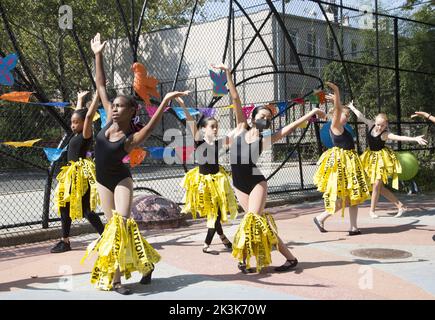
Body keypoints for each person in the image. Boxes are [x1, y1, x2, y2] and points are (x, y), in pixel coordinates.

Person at [82, 33, 189, 295]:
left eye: (121, 107)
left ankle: (117, 280)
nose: (115, 108)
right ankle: (147, 264)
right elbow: (101, 86)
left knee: (120, 224)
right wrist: (98, 53)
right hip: (103, 181)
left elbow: (152, 124)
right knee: (112, 230)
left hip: (121, 180)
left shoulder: (130, 138)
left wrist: (164, 101)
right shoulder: (107, 120)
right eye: (114, 106)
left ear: (131, 112)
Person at [213, 63, 326, 273]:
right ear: (251, 117)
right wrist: (228, 73)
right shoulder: (239, 128)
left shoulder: (265, 138)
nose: (265, 119)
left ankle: (244, 260)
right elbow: (235, 97)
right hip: (239, 184)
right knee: (259, 223)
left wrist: (312, 111)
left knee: (252, 220)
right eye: (262, 116)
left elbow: (290, 127)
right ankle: (291, 259)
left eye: (268, 118)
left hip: (256, 183)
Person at [178, 96, 238, 255]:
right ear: (204, 129)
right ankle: (206, 245)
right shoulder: (199, 142)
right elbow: (191, 123)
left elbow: (237, 131)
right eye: (212, 126)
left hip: (217, 182)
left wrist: (245, 122)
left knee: (216, 213)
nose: (216, 129)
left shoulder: (217, 143)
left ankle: (223, 238)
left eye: (217, 126)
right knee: (215, 214)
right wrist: (183, 105)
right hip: (205, 184)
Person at [348, 102, 427, 218]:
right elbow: (361, 117)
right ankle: (401, 206)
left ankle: (372, 211)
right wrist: (352, 107)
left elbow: (399, 137)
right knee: (380, 188)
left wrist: (414, 139)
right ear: (375, 122)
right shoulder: (370, 125)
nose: (380, 127)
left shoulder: (385, 134)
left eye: (383, 126)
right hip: (370, 158)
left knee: (376, 186)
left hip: (381, 160)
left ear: (386, 126)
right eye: (378, 124)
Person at [313, 82, 370, 236]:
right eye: (346, 114)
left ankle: (353, 227)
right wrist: (337, 91)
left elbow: (337, 110)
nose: (347, 117)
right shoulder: (335, 125)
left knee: (354, 197)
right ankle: (321, 217)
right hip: (343, 164)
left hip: (351, 162)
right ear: (337, 115)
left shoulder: (343, 127)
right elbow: (337, 110)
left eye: (348, 115)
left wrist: (337, 98)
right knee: (347, 198)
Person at [51, 91, 104, 253]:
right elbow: (81, 115)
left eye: (76, 123)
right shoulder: (76, 133)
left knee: (86, 209)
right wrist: (80, 100)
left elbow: (87, 117)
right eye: (71, 122)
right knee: (64, 206)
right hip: (71, 176)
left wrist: (97, 96)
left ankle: (106, 236)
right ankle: (65, 241)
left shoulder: (86, 135)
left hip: (81, 176)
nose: (73, 125)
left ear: (84, 124)